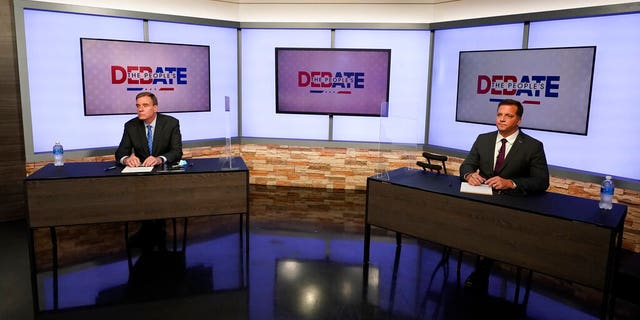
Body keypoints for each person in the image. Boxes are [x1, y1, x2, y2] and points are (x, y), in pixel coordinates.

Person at [459, 98, 549, 295]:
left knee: (496, 232)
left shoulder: (533, 146)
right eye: (499, 114)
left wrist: (511, 183)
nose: (502, 119)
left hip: (511, 205)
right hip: (482, 201)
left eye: (508, 116)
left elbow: (542, 181)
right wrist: (469, 175)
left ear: (519, 120)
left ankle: (481, 271)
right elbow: (466, 165)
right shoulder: (483, 139)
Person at [115, 92, 183, 252]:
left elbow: (177, 152)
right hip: (142, 176)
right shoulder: (131, 126)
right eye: (138, 106)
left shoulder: (171, 123)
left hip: (164, 175)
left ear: (155, 108)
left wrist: (160, 158)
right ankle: (148, 232)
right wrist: (126, 159)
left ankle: (158, 233)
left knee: (158, 199)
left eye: (145, 105)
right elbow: (120, 152)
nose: (140, 109)